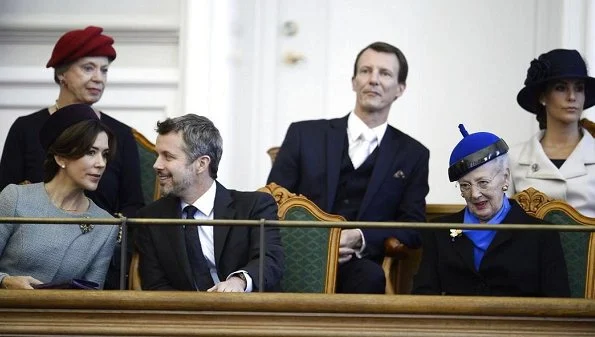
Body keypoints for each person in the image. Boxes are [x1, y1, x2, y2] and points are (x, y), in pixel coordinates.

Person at [267, 41, 428, 294]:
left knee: (370, 277)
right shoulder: (304, 134)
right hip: (297, 257)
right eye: (366, 71)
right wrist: (316, 245)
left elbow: (413, 227)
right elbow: (269, 205)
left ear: (400, 89)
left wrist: (359, 237)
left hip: (359, 263)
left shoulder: (413, 154)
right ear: (354, 81)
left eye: (384, 73)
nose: (373, 79)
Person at [0, 26, 144, 289]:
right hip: (25, 254)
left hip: (98, 252)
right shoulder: (26, 128)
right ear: (62, 73)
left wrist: (106, 234)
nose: (99, 77)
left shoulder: (121, 135)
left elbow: (133, 206)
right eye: (88, 68)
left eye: (104, 70)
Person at [412, 125, 569, 297]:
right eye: (465, 185)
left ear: (505, 177)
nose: (475, 194)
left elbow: (558, 305)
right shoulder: (439, 231)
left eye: (483, 182)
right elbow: (423, 296)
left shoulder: (541, 235)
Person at [135, 114, 284, 292]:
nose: (156, 165)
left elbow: (269, 260)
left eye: (168, 157)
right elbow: (155, 285)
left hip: (247, 313)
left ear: (201, 164)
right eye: (157, 155)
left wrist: (239, 282)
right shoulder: (151, 218)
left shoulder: (254, 207)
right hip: (185, 316)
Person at [0, 104, 119, 290]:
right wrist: (5, 281)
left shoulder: (106, 224)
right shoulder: (15, 198)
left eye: (105, 154)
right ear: (61, 158)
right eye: (91, 152)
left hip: (63, 317)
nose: (101, 163)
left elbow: (93, 296)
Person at [508, 49, 595, 217]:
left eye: (579, 88)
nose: (572, 97)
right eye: (561, 88)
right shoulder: (513, 158)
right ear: (542, 96)